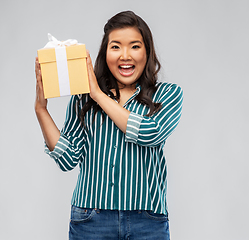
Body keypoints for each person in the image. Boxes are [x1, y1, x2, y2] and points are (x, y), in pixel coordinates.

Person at [35, 10, 183, 240]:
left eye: (135, 46)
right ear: (105, 53)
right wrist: (41, 109)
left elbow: (149, 133)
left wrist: (98, 94)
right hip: (91, 220)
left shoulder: (167, 94)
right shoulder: (83, 99)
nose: (125, 55)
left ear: (147, 51)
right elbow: (67, 160)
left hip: (147, 221)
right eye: (116, 47)